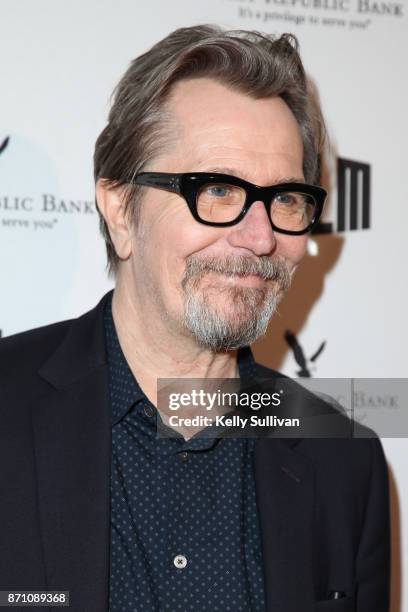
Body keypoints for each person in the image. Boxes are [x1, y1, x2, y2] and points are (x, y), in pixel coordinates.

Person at [0, 25, 390, 612]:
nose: (260, 239)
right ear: (121, 211)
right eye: (216, 190)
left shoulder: (343, 459)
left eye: (285, 198)